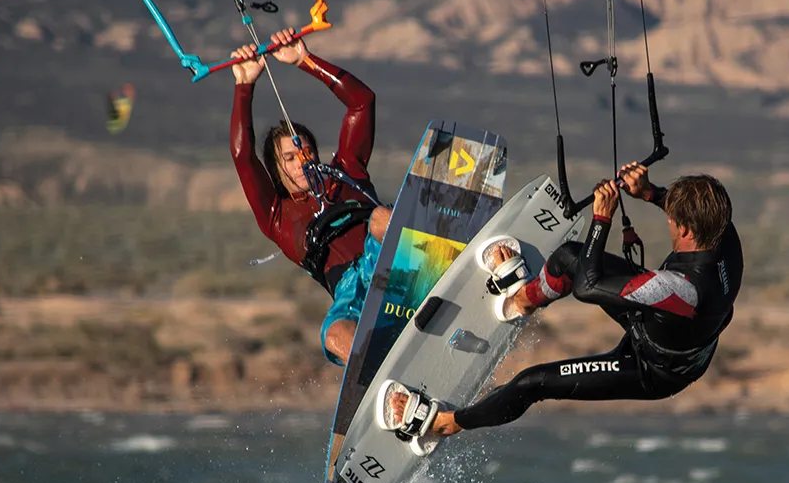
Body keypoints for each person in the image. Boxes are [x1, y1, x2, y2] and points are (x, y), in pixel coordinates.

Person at [376, 162, 743, 454]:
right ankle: (522, 301)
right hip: (666, 326)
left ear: (686, 231)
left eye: (671, 220)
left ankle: (445, 423)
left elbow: (588, 288)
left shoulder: (682, 289)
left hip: (652, 368)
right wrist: (650, 193)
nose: (668, 222)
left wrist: (602, 219)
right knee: (568, 256)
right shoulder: (723, 233)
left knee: (532, 383)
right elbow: (680, 219)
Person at [230, 28, 392, 366]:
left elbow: (362, 102)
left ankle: (449, 266)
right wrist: (244, 86)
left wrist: (305, 60)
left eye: (305, 151)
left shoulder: (347, 171)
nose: (301, 159)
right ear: (276, 170)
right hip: (352, 295)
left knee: (380, 217)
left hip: (392, 258)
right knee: (334, 335)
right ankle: (385, 374)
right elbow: (243, 158)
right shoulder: (276, 216)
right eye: (289, 157)